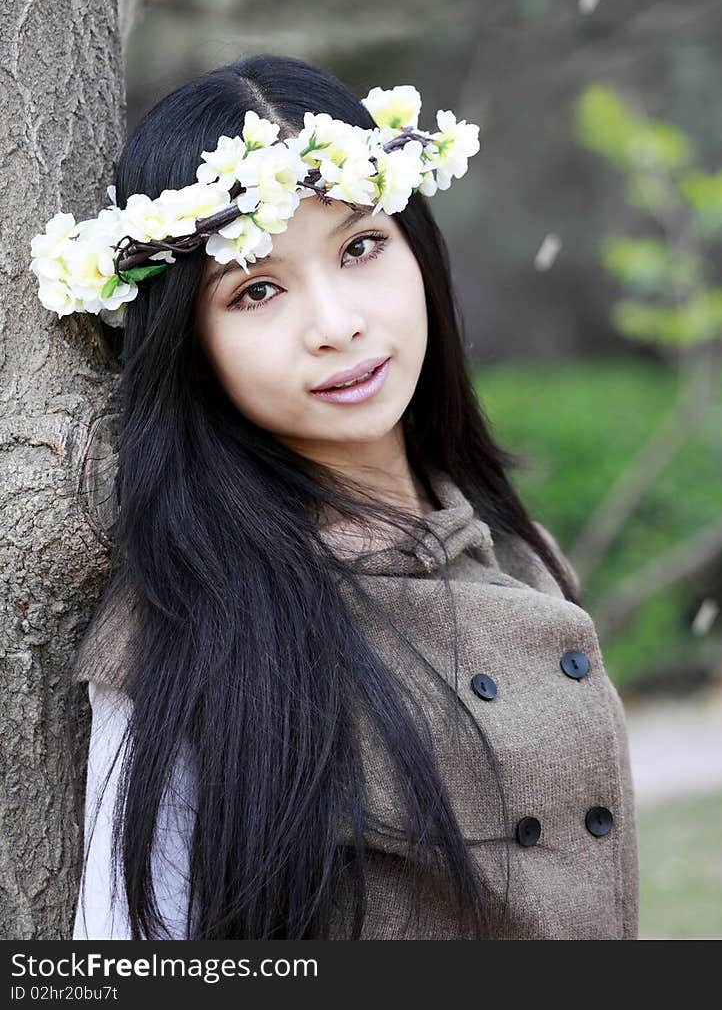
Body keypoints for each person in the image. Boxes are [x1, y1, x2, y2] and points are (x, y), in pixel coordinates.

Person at [39, 53, 639, 939]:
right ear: (189, 346)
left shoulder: (519, 550)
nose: (337, 324)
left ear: (418, 246)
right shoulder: (193, 624)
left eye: (361, 246)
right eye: (257, 289)